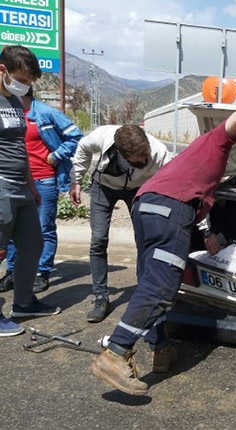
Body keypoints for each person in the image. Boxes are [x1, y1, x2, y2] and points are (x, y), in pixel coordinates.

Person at [90, 108, 236, 395]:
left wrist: (205, 233)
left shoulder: (200, 156)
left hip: (147, 205)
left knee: (149, 280)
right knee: (162, 285)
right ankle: (116, 351)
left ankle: (161, 349)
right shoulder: (217, 141)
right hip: (170, 208)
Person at [70, 125, 171, 323]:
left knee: (144, 239)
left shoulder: (159, 152)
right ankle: (101, 297)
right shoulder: (103, 137)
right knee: (98, 239)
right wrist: (77, 180)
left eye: (146, 156)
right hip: (103, 187)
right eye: (139, 159)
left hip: (137, 189)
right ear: (122, 153)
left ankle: (143, 295)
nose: (145, 160)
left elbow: (174, 178)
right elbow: (83, 146)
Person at [0, 45, 62, 337]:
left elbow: (19, 147)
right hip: (1, 187)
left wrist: (30, 185)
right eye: (21, 78)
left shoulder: (14, 101)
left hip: (22, 186)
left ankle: (23, 302)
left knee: (33, 244)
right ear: (3, 71)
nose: (25, 85)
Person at [0, 87, 83, 294]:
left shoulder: (44, 112)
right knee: (11, 229)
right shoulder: (8, 112)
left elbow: (75, 135)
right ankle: (12, 271)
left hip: (44, 179)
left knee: (44, 228)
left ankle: (42, 272)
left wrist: (56, 156)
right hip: (15, 180)